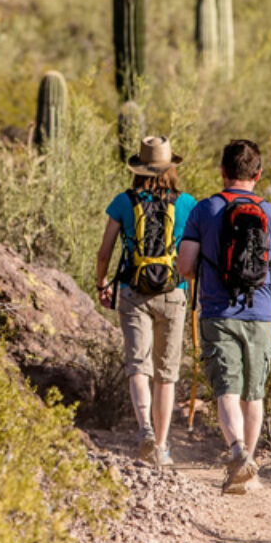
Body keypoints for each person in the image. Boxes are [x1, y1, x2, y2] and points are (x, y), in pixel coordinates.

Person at [177, 139, 271, 493]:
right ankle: (248, 469)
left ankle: (237, 454)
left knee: (226, 391)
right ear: (258, 174)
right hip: (260, 314)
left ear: (222, 171)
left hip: (217, 312)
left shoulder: (204, 210)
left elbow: (185, 268)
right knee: (253, 393)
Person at [96, 136, 197, 467]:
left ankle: (145, 431)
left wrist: (101, 283)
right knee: (165, 374)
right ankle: (163, 447)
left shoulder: (123, 202)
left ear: (138, 168)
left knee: (138, 365)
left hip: (133, 291)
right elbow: (195, 252)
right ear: (171, 168)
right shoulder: (186, 204)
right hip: (173, 292)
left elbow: (105, 250)